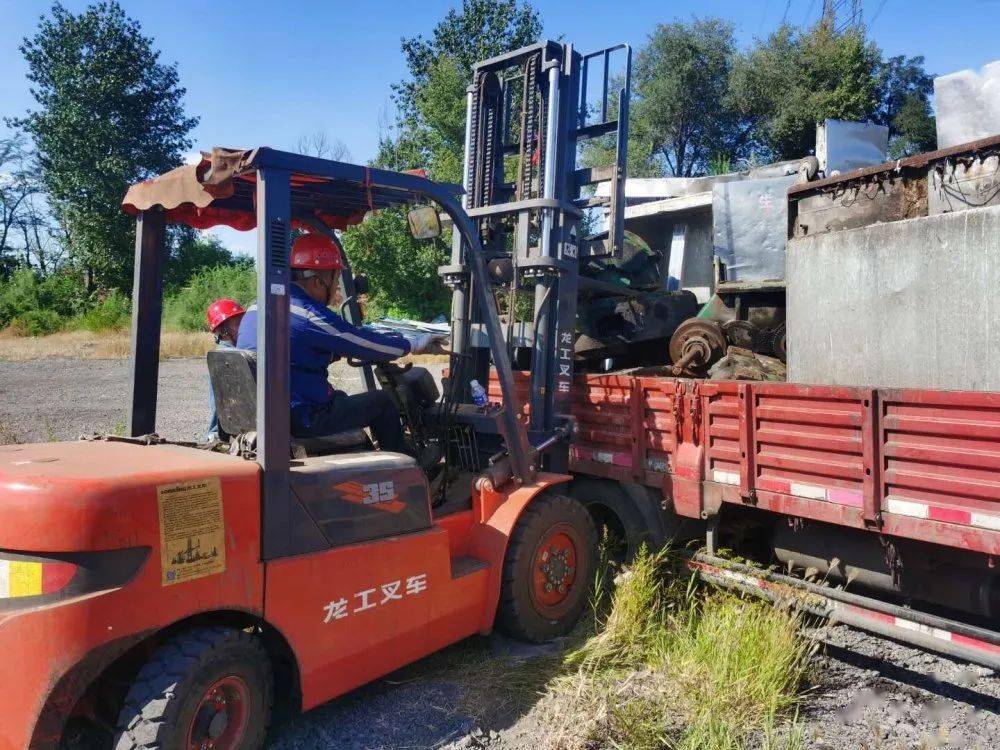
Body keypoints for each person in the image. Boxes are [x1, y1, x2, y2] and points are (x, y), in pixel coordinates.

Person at [237, 233, 413, 454]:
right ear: (319, 281)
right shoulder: (309, 315)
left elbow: (294, 351)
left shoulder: (258, 306)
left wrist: (333, 354)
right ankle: (409, 466)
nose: (337, 286)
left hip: (268, 414)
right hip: (302, 417)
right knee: (381, 402)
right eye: (336, 279)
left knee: (341, 398)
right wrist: (410, 344)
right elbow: (367, 344)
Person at [204, 298, 245, 442]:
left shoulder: (223, 354)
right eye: (238, 322)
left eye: (242, 320)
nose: (243, 326)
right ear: (223, 330)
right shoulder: (229, 356)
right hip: (228, 431)